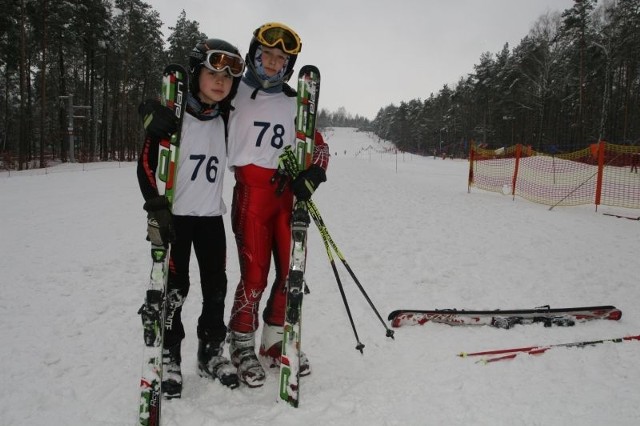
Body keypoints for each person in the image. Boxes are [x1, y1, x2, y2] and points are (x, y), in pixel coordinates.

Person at [137, 38, 246, 397]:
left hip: (211, 219)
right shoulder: (174, 118)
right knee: (175, 291)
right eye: (213, 73)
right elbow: (146, 166)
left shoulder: (226, 118)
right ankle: (169, 355)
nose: (220, 82)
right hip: (176, 220)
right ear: (197, 72)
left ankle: (211, 351)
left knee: (217, 288)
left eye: (228, 78)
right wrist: (156, 207)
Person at [226, 22, 330, 388]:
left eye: (280, 58)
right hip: (251, 196)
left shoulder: (294, 102)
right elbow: (199, 106)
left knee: (291, 274)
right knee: (254, 275)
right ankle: (240, 342)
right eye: (266, 54)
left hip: (286, 198)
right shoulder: (232, 92)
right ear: (255, 53)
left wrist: (313, 175)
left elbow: (318, 146)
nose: (272, 63)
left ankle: (273, 339)